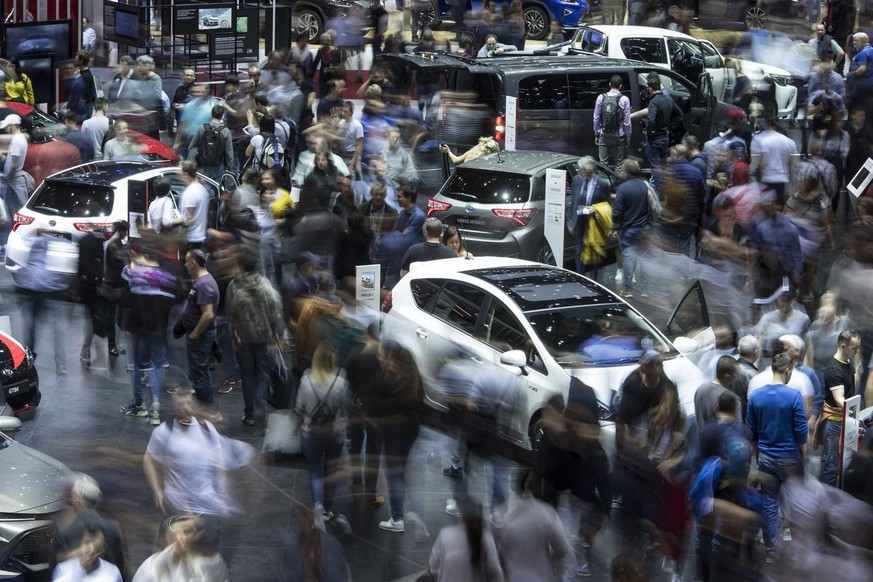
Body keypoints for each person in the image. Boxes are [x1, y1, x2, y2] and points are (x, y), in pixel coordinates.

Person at [746, 352, 808, 561]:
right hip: (790, 457)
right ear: (788, 370)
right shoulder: (793, 396)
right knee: (798, 504)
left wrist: (758, 454)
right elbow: (801, 432)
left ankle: (771, 553)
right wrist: (803, 456)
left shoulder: (756, 396)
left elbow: (751, 432)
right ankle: (798, 552)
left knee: (769, 504)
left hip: (766, 458)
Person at [295, 342, 353, 534]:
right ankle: (328, 509)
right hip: (335, 434)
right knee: (332, 470)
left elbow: (299, 408)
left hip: (311, 433)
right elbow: (346, 409)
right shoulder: (342, 380)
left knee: (314, 471)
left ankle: (318, 506)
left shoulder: (306, 380)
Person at [366, 341, 424, 533]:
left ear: (390, 358)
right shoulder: (412, 376)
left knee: (394, 475)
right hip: (410, 429)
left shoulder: (383, 380)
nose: (378, 357)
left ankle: (397, 518)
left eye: (381, 355)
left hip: (393, 433)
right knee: (399, 470)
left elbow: (371, 405)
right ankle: (406, 512)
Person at [121, 243, 177, 425]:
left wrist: (129, 325)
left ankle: (139, 405)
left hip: (141, 328)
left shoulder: (138, 275)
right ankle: (156, 405)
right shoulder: (167, 278)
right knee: (157, 365)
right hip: (160, 329)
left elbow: (133, 302)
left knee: (137, 365)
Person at [226, 249, 283, 427]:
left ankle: (249, 413)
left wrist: (233, 334)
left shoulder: (233, 286)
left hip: (244, 338)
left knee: (247, 375)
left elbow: (230, 314)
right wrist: (275, 333)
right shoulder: (266, 285)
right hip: (264, 336)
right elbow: (275, 311)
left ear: (240, 265)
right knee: (262, 374)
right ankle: (261, 410)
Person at [54, 473, 126, 577]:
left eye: (73, 495)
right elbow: (120, 563)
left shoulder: (65, 531)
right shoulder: (113, 526)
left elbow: (57, 569)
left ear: (78, 499)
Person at [179, 249, 220, 409]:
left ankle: (205, 409)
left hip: (200, 336)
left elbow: (208, 315)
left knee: (200, 373)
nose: (185, 264)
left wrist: (194, 335)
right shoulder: (201, 281)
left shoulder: (204, 284)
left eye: (187, 261)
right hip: (199, 334)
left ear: (193, 263)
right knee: (198, 371)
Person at [819, 329, 861, 486]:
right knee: (832, 467)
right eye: (854, 348)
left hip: (846, 419)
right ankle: (825, 503)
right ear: (843, 346)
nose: (857, 351)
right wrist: (856, 415)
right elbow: (839, 400)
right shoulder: (833, 370)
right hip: (835, 423)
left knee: (843, 463)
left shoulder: (848, 361)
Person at [132, 514, 228, 582]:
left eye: (188, 531)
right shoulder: (152, 567)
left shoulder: (214, 563)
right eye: (186, 530)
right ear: (165, 540)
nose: (182, 537)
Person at [428, 499, 505, 581]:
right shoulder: (486, 538)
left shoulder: (445, 535)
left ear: (461, 515)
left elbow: (433, 566)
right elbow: (495, 572)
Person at [610, 158, 651, 298]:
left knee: (628, 258)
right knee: (645, 259)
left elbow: (617, 211)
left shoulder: (623, 188)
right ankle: (645, 289)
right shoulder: (645, 185)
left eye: (622, 170)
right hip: (644, 228)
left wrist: (614, 227)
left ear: (626, 173)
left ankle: (628, 289)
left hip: (628, 230)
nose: (620, 172)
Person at [568, 156, 611, 276]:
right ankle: (581, 277)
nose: (579, 171)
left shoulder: (602, 184)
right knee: (579, 251)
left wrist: (595, 209)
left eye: (582, 169)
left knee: (594, 250)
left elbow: (607, 203)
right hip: (580, 220)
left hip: (594, 221)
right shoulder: (576, 180)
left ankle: (593, 278)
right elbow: (573, 202)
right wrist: (570, 222)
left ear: (590, 170)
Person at [639, 74, 682, 174]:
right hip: (665, 138)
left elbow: (651, 120)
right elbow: (679, 115)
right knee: (663, 166)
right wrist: (670, 127)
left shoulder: (654, 102)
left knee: (655, 168)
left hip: (655, 139)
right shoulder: (668, 99)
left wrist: (648, 132)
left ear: (650, 89)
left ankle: (657, 186)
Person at [188, 104, 236, 182]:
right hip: (218, 166)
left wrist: (190, 164)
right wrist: (230, 170)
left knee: (202, 188)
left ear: (211, 114)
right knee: (216, 188)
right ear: (222, 116)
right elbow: (229, 153)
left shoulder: (202, 128)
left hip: (202, 166)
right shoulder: (225, 131)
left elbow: (192, 146)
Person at [694, 355, 742, 432]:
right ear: (727, 376)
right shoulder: (731, 398)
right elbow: (737, 430)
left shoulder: (700, 389)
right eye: (736, 373)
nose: (738, 376)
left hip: (702, 441)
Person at [594, 75, 632, 170]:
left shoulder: (601, 97)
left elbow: (596, 118)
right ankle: (618, 184)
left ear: (610, 84)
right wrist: (628, 137)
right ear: (620, 86)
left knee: (603, 164)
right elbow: (627, 122)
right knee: (619, 165)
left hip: (604, 133)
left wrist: (596, 133)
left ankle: (605, 183)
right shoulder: (624, 99)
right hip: (619, 136)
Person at [0, 113, 29, 211]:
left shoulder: (16, 140)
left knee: (21, 205)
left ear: (11, 126)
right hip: (14, 178)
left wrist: (9, 176)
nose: (5, 130)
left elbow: (15, 164)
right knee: (16, 203)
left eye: (6, 127)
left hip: (14, 178)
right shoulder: (21, 138)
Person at [179, 161, 209, 249]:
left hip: (191, 238)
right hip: (200, 236)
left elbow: (188, 219)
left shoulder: (190, 192)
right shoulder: (203, 189)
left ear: (185, 174)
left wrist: (173, 222)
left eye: (180, 172)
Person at [171, 69, 196, 137]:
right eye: (187, 75)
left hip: (193, 121)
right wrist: (174, 105)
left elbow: (200, 105)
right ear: (183, 76)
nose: (189, 77)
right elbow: (174, 101)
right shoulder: (179, 89)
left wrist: (185, 106)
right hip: (180, 120)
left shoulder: (198, 90)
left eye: (191, 76)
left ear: (194, 77)